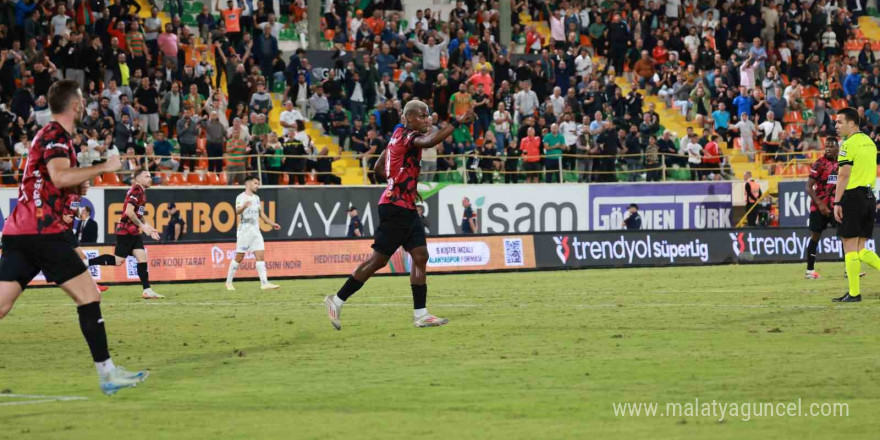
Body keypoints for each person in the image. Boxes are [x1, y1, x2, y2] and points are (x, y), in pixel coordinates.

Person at [0, 79, 148, 395]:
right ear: (76, 105)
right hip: (43, 232)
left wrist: (73, 187)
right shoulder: (55, 135)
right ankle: (108, 374)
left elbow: (49, 180)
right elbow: (58, 175)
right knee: (89, 296)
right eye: (83, 101)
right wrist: (101, 167)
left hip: (19, 231)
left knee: (1, 305)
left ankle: (109, 374)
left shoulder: (49, 135)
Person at [323, 101, 475, 330]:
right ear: (411, 118)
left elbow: (377, 167)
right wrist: (457, 122)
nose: (428, 120)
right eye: (423, 116)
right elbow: (431, 141)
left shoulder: (396, 133)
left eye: (428, 116)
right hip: (396, 207)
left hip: (404, 204)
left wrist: (401, 184)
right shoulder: (408, 136)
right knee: (379, 260)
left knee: (420, 255)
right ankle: (336, 300)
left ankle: (421, 314)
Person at [88, 169, 164, 299]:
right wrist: (143, 227)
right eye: (146, 176)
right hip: (126, 230)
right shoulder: (136, 190)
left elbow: (139, 215)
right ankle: (86, 263)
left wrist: (150, 229)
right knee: (118, 260)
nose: (149, 178)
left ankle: (147, 290)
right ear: (138, 179)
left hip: (133, 231)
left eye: (150, 176)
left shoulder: (141, 193)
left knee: (142, 257)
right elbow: (129, 212)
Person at [831, 108, 880, 303]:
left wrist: (837, 202)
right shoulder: (869, 141)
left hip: (853, 196)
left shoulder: (848, 144)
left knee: (849, 245)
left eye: (839, 122)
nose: (836, 125)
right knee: (861, 249)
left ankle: (854, 293)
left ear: (852, 123)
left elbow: (844, 174)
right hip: (869, 196)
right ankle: (852, 291)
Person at [225, 175, 282, 291]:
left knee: (260, 256)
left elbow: (261, 214)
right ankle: (228, 282)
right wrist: (244, 206)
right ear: (248, 183)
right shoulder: (240, 197)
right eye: (255, 183)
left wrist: (272, 224)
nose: (257, 186)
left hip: (255, 230)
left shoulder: (256, 198)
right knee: (239, 257)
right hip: (244, 230)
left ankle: (264, 283)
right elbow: (237, 211)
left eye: (258, 184)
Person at [805, 138, 840, 280]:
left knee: (845, 235)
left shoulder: (841, 163)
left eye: (831, 146)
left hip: (835, 206)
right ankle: (809, 271)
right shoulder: (819, 163)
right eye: (826, 146)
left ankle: (849, 270)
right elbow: (808, 187)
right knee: (815, 236)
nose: (828, 149)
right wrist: (820, 204)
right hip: (818, 206)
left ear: (837, 147)